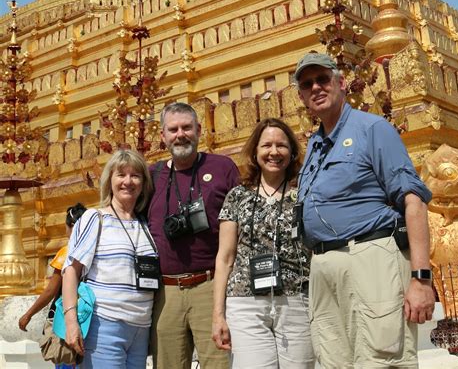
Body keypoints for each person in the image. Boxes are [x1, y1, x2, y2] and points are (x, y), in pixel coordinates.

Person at [295, 51, 436, 369]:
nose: (316, 87)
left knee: (381, 359)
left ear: (341, 83)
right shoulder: (315, 145)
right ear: (302, 96)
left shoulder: (372, 129)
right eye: (307, 84)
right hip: (323, 265)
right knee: (333, 361)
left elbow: (413, 200)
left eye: (322, 79)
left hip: (370, 256)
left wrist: (421, 279)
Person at [212, 118, 315, 369]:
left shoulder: (303, 192)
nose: (274, 152)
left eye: (281, 145)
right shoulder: (238, 195)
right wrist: (218, 314)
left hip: (296, 299)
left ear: (291, 152)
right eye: (266, 145)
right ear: (255, 152)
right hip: (245, 302)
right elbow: (225, 257)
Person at [148, 101, 240, 369]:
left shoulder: (223, 167)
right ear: (163, 136)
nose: (181, 134)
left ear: (199, 129)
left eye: (187, 127)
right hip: (166, 291)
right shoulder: (151, 175)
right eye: (173, 129)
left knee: (218, 362)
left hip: (210, 286)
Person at [62, 149, 158, 369]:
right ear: (110, 180)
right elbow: (70, 271)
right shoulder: (95, 218)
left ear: (143, 183)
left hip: (141, 329)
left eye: (135, 175)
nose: (128, 181)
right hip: (104, 324)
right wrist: (71, 322)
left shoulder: (145, 225)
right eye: (121, 175)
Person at [19, 203, 87, 369]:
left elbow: (51, 290)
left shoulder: (67, 251)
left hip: (67, 319)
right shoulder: (92, 249)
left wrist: (28, 314)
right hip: (89, 317)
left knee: (66, 359)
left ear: (69, 226)